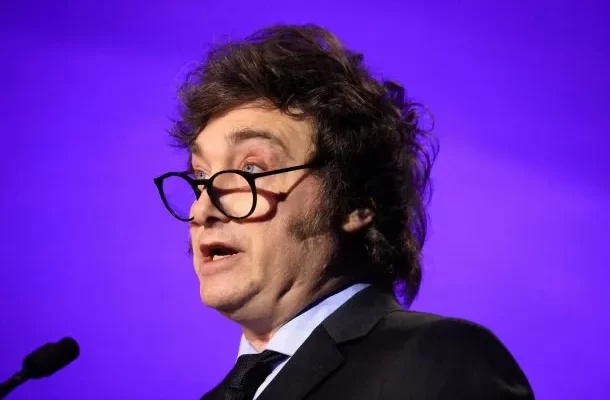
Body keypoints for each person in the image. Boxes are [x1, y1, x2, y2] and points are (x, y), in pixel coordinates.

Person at [153, 24, 534, 400]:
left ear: (355, 201)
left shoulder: (438, 361)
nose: (203, 208)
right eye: (200, 176)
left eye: (251, 170)